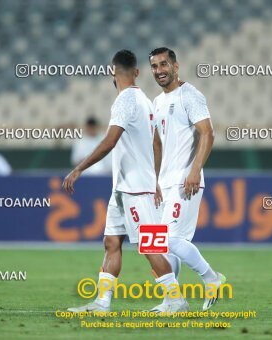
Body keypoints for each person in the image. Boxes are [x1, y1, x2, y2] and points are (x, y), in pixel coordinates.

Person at [63, 49, 188, 313]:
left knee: (149, 246)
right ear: (138, 72)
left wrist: (79, 169)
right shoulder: (145, 100)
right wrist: (155, 177)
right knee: (112, 242)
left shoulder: (124, 101)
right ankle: (102, 303)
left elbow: (110, 140)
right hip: (124, 188)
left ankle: (176, 300)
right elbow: (156, 142)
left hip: (135, 189)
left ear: (112, 72)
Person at [149, 47, 226, 311]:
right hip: (165, 183)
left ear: (176, 66)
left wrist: (194, 171)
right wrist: (154, 180)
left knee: (168, 240)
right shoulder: (157, 102)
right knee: (159, 245)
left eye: (163, 64)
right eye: (154, 66)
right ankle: (173, 301)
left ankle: (211, 278)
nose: (159, 70)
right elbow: (157, 143)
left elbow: (208, 133)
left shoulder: (190, 95)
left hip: (186, 181)